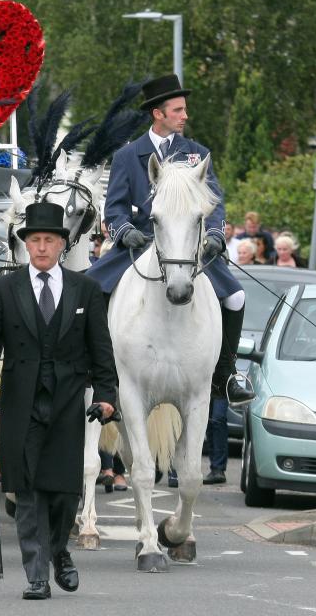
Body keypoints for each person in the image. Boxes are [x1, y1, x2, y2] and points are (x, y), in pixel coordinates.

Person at [0, 202, 118, 600]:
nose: (40, 247)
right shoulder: (4, 288)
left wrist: (106, 396)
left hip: (70, 401)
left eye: (48, 240)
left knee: (65, 491)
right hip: (22, 400)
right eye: (34, 240)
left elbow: (101, 350)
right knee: (29, 489)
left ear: (62, 245)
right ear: (25, 245)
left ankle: (59, 551)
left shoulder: (85, 288)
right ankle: (37, 574)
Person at [85, 74, 254, 404]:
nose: (185, 116)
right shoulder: (128, 156)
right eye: (178, 110)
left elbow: (214, 203)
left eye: (184, 110)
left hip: (187, 248)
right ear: (158, 114)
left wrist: (216, 235)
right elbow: (114, 207)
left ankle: (227, 373)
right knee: (91, 288)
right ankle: (96, 367)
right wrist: (123, 230)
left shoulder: (196, 155)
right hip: (141, 243)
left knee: (235, 297)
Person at [203, 395, 228, 485]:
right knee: (208, 422)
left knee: (218, 419)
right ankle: (215, 468)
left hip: (220, 386)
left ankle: (218, 468)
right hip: (204, 385)